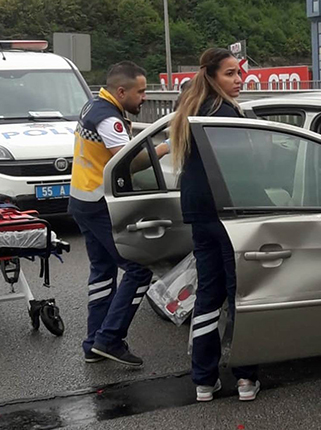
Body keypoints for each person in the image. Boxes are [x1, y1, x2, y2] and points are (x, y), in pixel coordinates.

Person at [169, 48, 260, 403]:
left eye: (239, 74)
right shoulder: (225, 115)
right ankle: (245, 379)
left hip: (199, 214)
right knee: (240, 295)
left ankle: (204, 381)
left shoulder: (189, 112)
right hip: (228, 215)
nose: (239, 81)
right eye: (230, 74)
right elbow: (242, 170)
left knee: (208, 295)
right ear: (211, 76)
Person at [69, 61, 168, 366]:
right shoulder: (109, 120)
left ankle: (93, 344)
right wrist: (165, 147)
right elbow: (129, 163)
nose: (145, 97)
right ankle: (110, 339)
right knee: (138, 268)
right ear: (121, 91)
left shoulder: (94, 106)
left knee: (103, 272)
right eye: (140, 92)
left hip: (82, 199)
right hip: (99, 203)